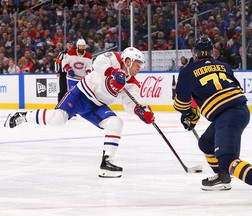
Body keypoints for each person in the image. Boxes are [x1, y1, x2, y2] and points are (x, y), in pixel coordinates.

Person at [4, 47, 154, 178]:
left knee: (116, 123)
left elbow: (130, 103)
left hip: (97, 106)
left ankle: (107, 162)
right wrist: (113, 72)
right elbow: (98, 63)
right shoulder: (114, 58)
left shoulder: (132, 83)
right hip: (81, 94)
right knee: (58, 119)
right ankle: (23, 116)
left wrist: (141, 112)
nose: (139, 69)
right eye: (137, 65)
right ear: (128, 61)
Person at [173, 36, 252, 204]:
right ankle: (223, 177)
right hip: (238, 110)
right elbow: (235, 88)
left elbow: (182, 103)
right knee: (205, 143)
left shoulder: (187, 70)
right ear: (212, 52)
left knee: (226, 159)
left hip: (227, 115)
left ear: (194, 53)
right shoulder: (223, 65)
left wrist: (189, 115)